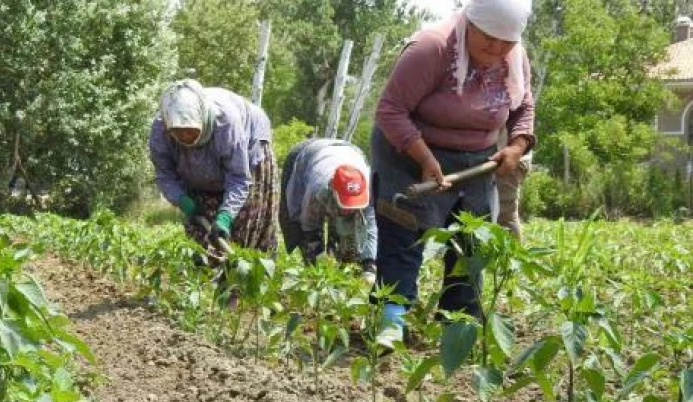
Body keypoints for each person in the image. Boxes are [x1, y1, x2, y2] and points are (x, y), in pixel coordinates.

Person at [372, 0, 534, 345]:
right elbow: (390, 110)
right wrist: (425, 158)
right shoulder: (432, 48)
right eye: (488, 38)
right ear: (470, 24)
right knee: (404, 237)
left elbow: (523, 108)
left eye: (506, 42)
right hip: (409, 153)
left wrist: (517, 146)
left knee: (471, 244)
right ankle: (390, 324)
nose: (496, 48)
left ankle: (459, 330)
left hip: (476, 162)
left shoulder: (514, 57)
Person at [149, 79, 277, 253]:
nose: (186, 136)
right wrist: (184, 201)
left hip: (247, 148)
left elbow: (238, 178)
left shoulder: (226, 124)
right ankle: (208, 272)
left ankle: (239, 274)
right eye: (179, 131)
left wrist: (225, 217)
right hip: (199, 173)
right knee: (200, 233)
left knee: (240, 231)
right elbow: (165, 176)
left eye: (191, 129)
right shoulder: (161, 131)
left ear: (202, 120)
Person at [279, 138, 377, 283]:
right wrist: (318, 263)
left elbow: (370, 226)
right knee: (295, 226)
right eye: (345, 205)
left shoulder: (370, 188)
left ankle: (344, 273)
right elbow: (309, 226)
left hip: (350, 150)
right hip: (307, 155)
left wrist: (369, 265)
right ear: (332, 191)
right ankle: (310, 276)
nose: (349, 211)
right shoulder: (318, 188)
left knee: (349, 241)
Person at [493, 127, 531, 240]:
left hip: (508, 157)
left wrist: (517, 147)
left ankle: (513, 256)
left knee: (504, 216)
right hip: (498, 155)